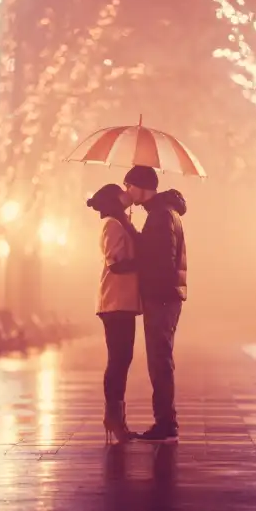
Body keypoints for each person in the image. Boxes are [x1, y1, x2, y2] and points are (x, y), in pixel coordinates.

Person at [123, 165, 187, 443]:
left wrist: (131, 260)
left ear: (141, 187)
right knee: (161, 358)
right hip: (166, 295)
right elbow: (156, 251)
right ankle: (165, 420)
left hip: (161, 297)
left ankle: (166, 422)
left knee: (159, 359)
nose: (127, 192)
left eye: (129, 186)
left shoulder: (160, 215)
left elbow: (160, 259)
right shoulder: (163, 213)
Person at [86, 183, 141, 443]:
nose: (126, 195)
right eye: (121, 193)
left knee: (122, 359)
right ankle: (113, 417)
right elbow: (116, 264)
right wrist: (145, 261)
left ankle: (116, 417)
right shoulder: (112, 225)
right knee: (118, 360)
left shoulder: (121, 223)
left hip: (123, 302)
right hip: (115, 301)